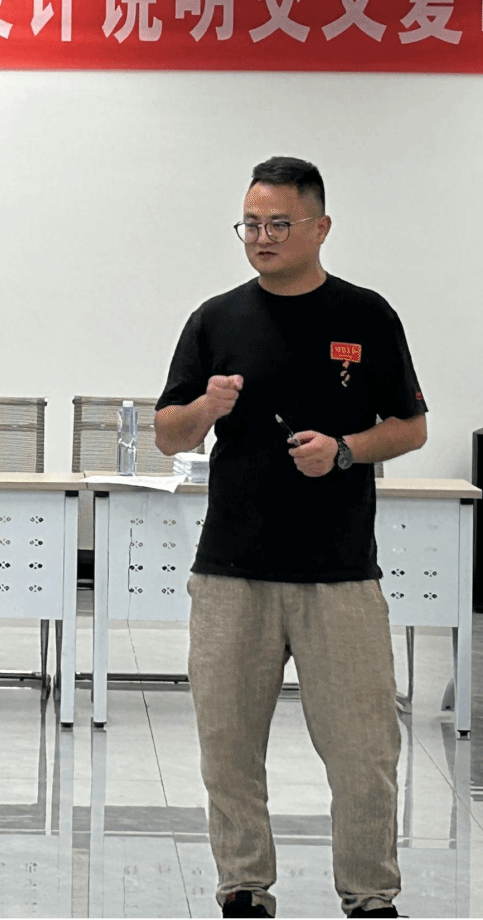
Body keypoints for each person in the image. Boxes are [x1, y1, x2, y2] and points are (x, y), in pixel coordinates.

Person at [155, 155, 428, 920]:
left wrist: (343, 449)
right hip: (230, 573)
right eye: (250, 224)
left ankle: (370, 896)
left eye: (279, 223)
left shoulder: (366, 315)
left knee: (364, 752)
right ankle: (244, 889)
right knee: (228, 749)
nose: (262, 237)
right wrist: (206, 407)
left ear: (320, 227)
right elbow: (169, 433)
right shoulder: (215, 319)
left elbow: (411, 426)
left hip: (339, 575)